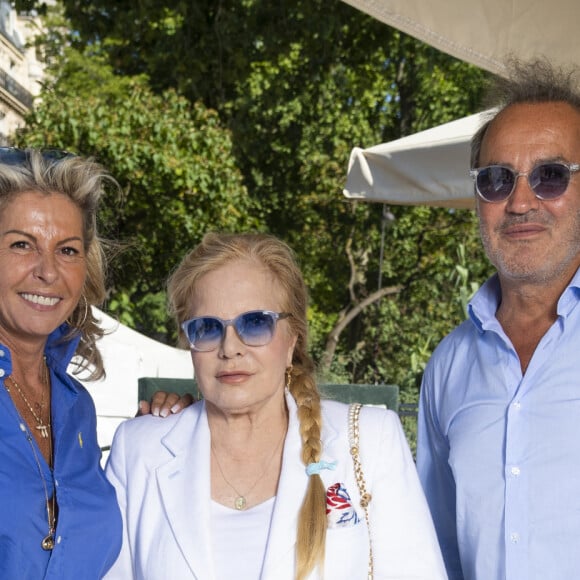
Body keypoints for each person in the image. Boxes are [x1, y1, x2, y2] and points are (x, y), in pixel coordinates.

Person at [104, 232, 446, 579]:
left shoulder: (371, 441)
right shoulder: (139, 451)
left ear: (292, 339)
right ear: (188, 343)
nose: (230, 348)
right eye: (207, 327)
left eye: (255, 323)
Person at [416, 58, 580, 579]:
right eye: (497, 179)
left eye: (551, 177)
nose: (520, 201)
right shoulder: (448, 366)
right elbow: (435, 553)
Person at [0, 147, 191, 579]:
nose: (47, 271)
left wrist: (173, 428)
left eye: (67, 250)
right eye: (21, 245)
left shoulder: (76, 407)